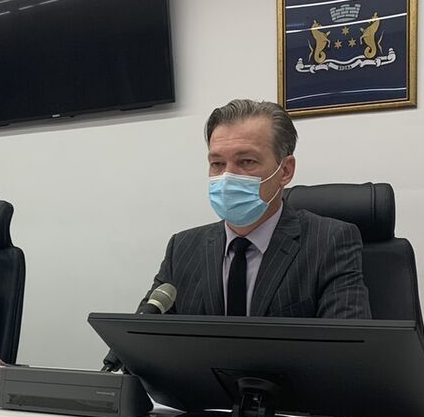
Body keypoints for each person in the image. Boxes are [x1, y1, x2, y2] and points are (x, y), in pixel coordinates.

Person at [105, 99, 370, 369]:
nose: (227, 176)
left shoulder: (330, 241)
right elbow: (145, 345)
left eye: (246, 161)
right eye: (217, 163)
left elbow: (346, 357)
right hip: (199, 396)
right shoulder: (182, 248)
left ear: (285, 171)